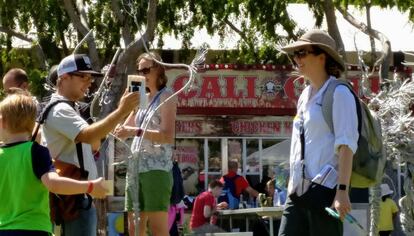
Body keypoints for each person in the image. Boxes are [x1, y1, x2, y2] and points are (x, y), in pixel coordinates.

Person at [41, 54, 139, 236]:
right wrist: (121, 111)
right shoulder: (60, 108)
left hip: (77, 196)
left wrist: (120, 112)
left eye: (91, 77)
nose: (89, 82)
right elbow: (89, 136)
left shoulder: (72, 107)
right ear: (64, 78)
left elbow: (94, 143)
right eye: (83, 76)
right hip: (74, 199)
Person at [278, 29, 359, 236]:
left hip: (326, 193)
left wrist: (342, 191)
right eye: (294, 54)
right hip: (297, 192)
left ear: (322, 57)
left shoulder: (340, 93)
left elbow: (346, 145)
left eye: (302, 52)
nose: (297, 58)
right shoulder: (304, 95)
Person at [0, 93, 108, 236]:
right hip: (34, 229)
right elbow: (54, 184)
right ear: (32, 123)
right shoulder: (36, 152)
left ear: (2, 122)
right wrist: (90, 186)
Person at [114, 52, 177, 236]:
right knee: (134, 229)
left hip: (156, 169)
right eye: (139, 70)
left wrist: (135, 132)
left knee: (157, 229)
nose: (142, 74)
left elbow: (167, 136)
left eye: (146, 70)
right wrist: (122, 108)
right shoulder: (142, 98)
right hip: (135, 169)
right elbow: (122, 132)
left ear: (158, 69)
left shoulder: (167, 96)